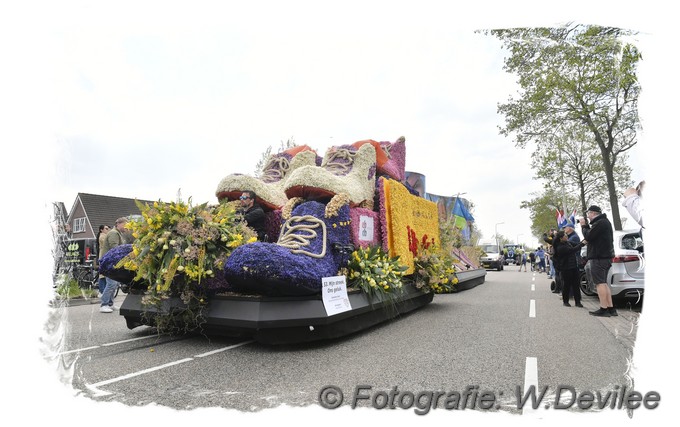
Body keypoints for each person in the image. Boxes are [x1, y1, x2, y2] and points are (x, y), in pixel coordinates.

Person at [580, 205, 616, 317]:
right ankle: (611, 308)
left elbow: (588, 236)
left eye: (589, 214)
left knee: (600, 284)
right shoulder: (605, 222)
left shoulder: (599, 223)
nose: (588, 216)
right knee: (604, 283)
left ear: (593, 213)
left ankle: (603, 309)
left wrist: (584, 226)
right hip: (605, 257)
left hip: (599, 257)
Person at [99, 217, 128, 313]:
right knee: (112, 284)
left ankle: (110, 304)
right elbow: (114, 248)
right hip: (109, 263)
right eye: (125, 224)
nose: (126, 227)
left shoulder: (118, 233)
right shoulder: (114, 233)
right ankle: (104, 304)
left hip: (112, 262)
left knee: (114, 284)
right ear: (118, 224)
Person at [552, 230, 586, 307]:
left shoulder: (568, 243)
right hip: (566, 268)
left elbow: (577, 244)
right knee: (566, 285)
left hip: (574, 266)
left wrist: (583, 241)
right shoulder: (560, 247)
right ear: (561, 238)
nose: (567, 236)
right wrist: (581, 245)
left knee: (576, 285)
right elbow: (572, 250)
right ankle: (565, 301)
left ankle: (578, 302)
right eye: (565, 235)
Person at [96, 224, 110, 294]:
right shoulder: (102, 237)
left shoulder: (104, 236)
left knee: (104, 275)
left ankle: (103, 291)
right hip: (103, 257)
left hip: (103, 256)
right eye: (106, 229)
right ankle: (102, 291)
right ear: (101, 230)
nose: (108, 230)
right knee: (102, 275)